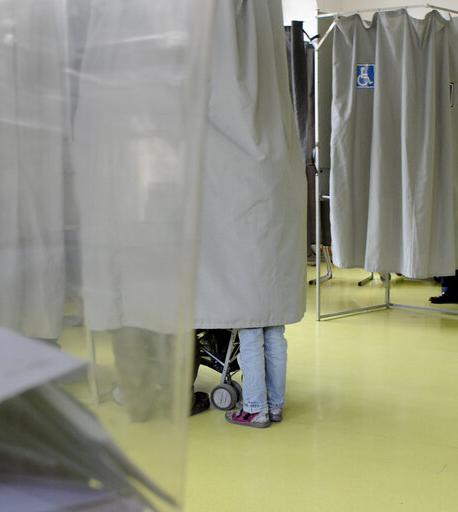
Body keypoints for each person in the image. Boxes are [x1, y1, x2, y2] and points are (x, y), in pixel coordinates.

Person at [193, 0, 306, 429]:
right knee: (274, 332)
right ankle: (275, 403)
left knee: (252, 332)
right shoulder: (277, 152)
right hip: (275, 251)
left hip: (247, 255)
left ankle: (255, 408)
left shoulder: (234, 169)